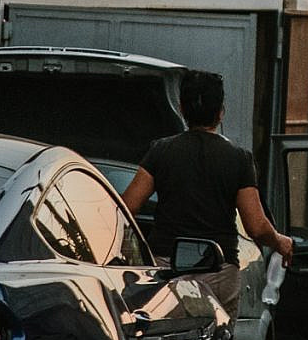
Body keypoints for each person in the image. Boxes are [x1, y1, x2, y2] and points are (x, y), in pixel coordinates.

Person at [121, 71, 295, 314]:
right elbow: (255, 226)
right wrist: (280, 242)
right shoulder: (239, 159)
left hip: (167, 270)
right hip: (218, 271)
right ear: (221, 111)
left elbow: (127, 207)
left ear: (181, 108)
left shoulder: (160, 151)